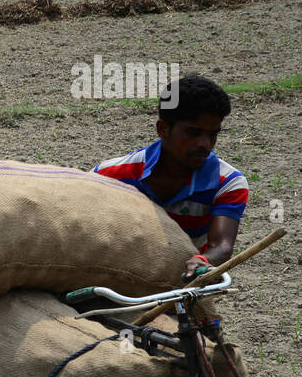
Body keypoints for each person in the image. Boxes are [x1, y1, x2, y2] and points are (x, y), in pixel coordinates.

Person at [93, 75, 248, 277]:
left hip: (183, 282)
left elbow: (222, 245)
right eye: (194, 133)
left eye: (213, 135)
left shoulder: (228, 183)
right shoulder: (110, 175)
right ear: (163, 129)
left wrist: (203, 261)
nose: (205, 144)